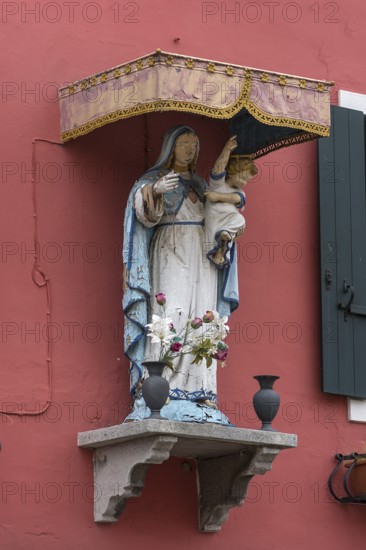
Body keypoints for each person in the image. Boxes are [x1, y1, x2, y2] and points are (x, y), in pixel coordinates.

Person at [123, 126, 241, 423]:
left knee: (203, 316)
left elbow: (219, 213)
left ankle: (201, 388)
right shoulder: (153, 180)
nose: (190, 150)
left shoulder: (202, 185)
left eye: (194, 145)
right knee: (170, 311)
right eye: (185, 144)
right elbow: (142, 217)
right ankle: (162, 387)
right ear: (171, 147)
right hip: (170, 250)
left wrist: (225, 232)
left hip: (202, 256)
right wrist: (154, 192)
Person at [205, 136, 257, 268]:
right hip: (214, 219)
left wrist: (217, 196)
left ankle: (220, 253)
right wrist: (227, 150)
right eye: (243, 178)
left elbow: (236, 199)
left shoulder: (239, 192)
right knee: (220, 236)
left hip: (227, 223)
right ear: (234, 170)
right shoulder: (218, 184)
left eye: (247, 181)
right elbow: (219, 168)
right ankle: (219, 250)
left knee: (239, 220)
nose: (244, 183)